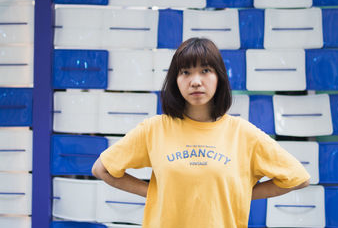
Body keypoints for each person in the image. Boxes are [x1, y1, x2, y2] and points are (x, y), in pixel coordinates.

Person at [92, 37, 310, 228]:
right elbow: (103, 170)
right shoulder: (154, 129)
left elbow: (298, 178)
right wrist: (153, 193)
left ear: (219, 77)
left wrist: (241, 194)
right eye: (185, 72)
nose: (195, 81)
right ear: (175, 81)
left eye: (205, 71)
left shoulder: (243, 134)